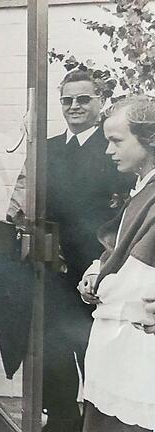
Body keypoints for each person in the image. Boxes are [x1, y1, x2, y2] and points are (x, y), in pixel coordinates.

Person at [8, 70, 132, 432]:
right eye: (67, 100)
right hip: (52, 267)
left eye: (83, 99)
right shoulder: (45, 149)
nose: (74, 107)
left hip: (98, 268)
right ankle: (61, 418)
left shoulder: (112, 149)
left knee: (94, 347)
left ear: (100, 102)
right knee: (53, 350)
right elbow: (25, 204)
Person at [77, 96, 155, 432]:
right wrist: (96, 269)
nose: (109, 151)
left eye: (117, 141)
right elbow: (118, 247)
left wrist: (101, 285)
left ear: (149, 139)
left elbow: (137, 274)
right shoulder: (142, 188)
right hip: (121, 337)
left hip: (138, 337)